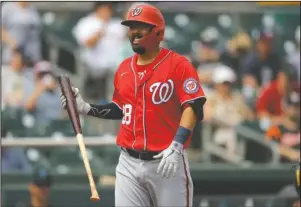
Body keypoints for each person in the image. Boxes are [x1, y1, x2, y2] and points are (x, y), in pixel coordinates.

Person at [61, 4, 206, 206]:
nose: (134, 32)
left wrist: (177, 144)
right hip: (128, 162)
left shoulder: (178, 64)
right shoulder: (123, 68)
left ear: (159, 32)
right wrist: (86, 108)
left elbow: (192, 105)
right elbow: (121, 109)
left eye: (141, 26)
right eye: (131, 26)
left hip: (166, 161)